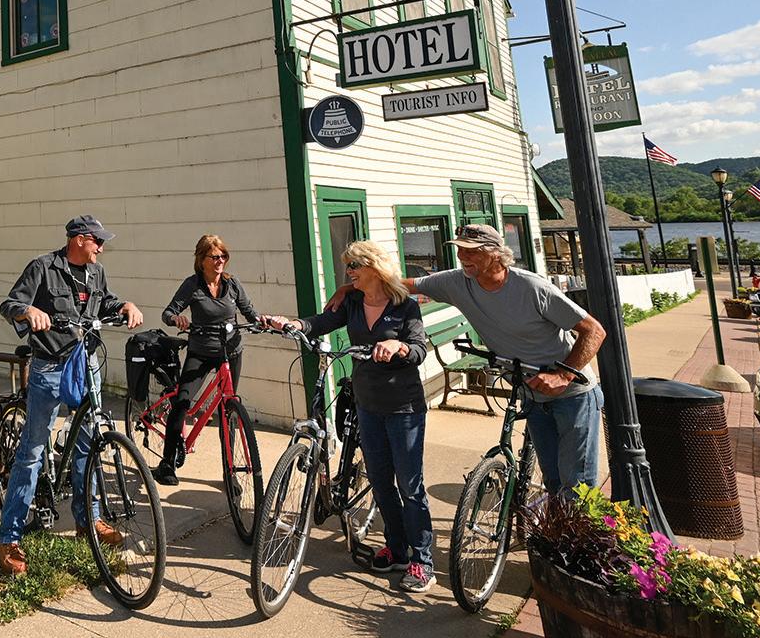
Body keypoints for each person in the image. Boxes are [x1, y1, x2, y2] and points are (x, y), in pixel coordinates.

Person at [269, 240, 436, 593]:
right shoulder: (353, 302)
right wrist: (294, 324)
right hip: (367, 405)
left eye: (353, 267)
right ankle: (397, 549)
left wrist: (399, 346)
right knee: (380, 481)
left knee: (410, 485)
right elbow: (322, 322)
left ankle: (423, 561)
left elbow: (420, 349)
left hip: (403, 407)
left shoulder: (404, 306)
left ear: (373, 267)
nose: (348, 273)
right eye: (348, 267)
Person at [406, 223, 607, 497]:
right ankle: (553, 524)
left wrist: (563, 375)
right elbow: (404, 285)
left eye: (471, 251)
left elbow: (594, 331)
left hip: (573, 395)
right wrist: (352, 288)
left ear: (495, 254)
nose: (462, 257)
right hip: (531, 392)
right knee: (553, 480)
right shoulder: (456, 282)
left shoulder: (531, 287)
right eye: (460, 250)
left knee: (577, 485)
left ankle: (581, 527)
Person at [0, 214, 144, 577]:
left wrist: (125, 306)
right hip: (49, 367)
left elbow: (105, 303)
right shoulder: (43, 268)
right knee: (32, 451)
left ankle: (89, 521)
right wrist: (28, 311)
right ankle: (9, 538)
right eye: (98, 241)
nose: (101, 248)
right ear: (79, 239)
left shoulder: (97, 273)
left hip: (86, 364)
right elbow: (9, 304)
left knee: (88, 445)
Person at [157, 234, 263, 486]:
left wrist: (262, 321)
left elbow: (249, 311)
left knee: (228, 411)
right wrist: (176, 319)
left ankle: (229, 472)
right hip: (201, 353)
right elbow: (168, 312)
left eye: (223, 256)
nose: (220, 261)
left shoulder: (232, 284)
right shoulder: (192, 285)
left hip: (231, 353)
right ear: (201, 259)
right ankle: (167, 463)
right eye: (214, 257)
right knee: (182, 403)